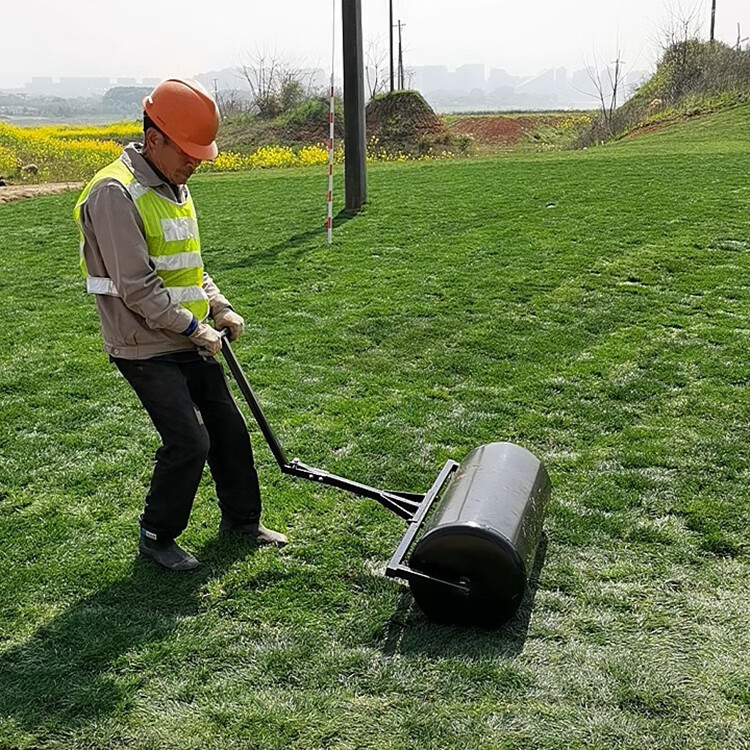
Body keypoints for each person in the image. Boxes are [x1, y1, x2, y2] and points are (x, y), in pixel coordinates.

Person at [74, 78, 287, 571]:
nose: (196, 162)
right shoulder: (114, 193)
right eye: (188, 151)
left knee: (229, 430)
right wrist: (195, 330)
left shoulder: (174, 186)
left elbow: (189, 267)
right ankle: (157, 535)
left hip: (188, 333)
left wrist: (219, 307)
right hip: (143, 344)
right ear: (154, 140)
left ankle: (242, 521)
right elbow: (138, 286)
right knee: (189, 441)